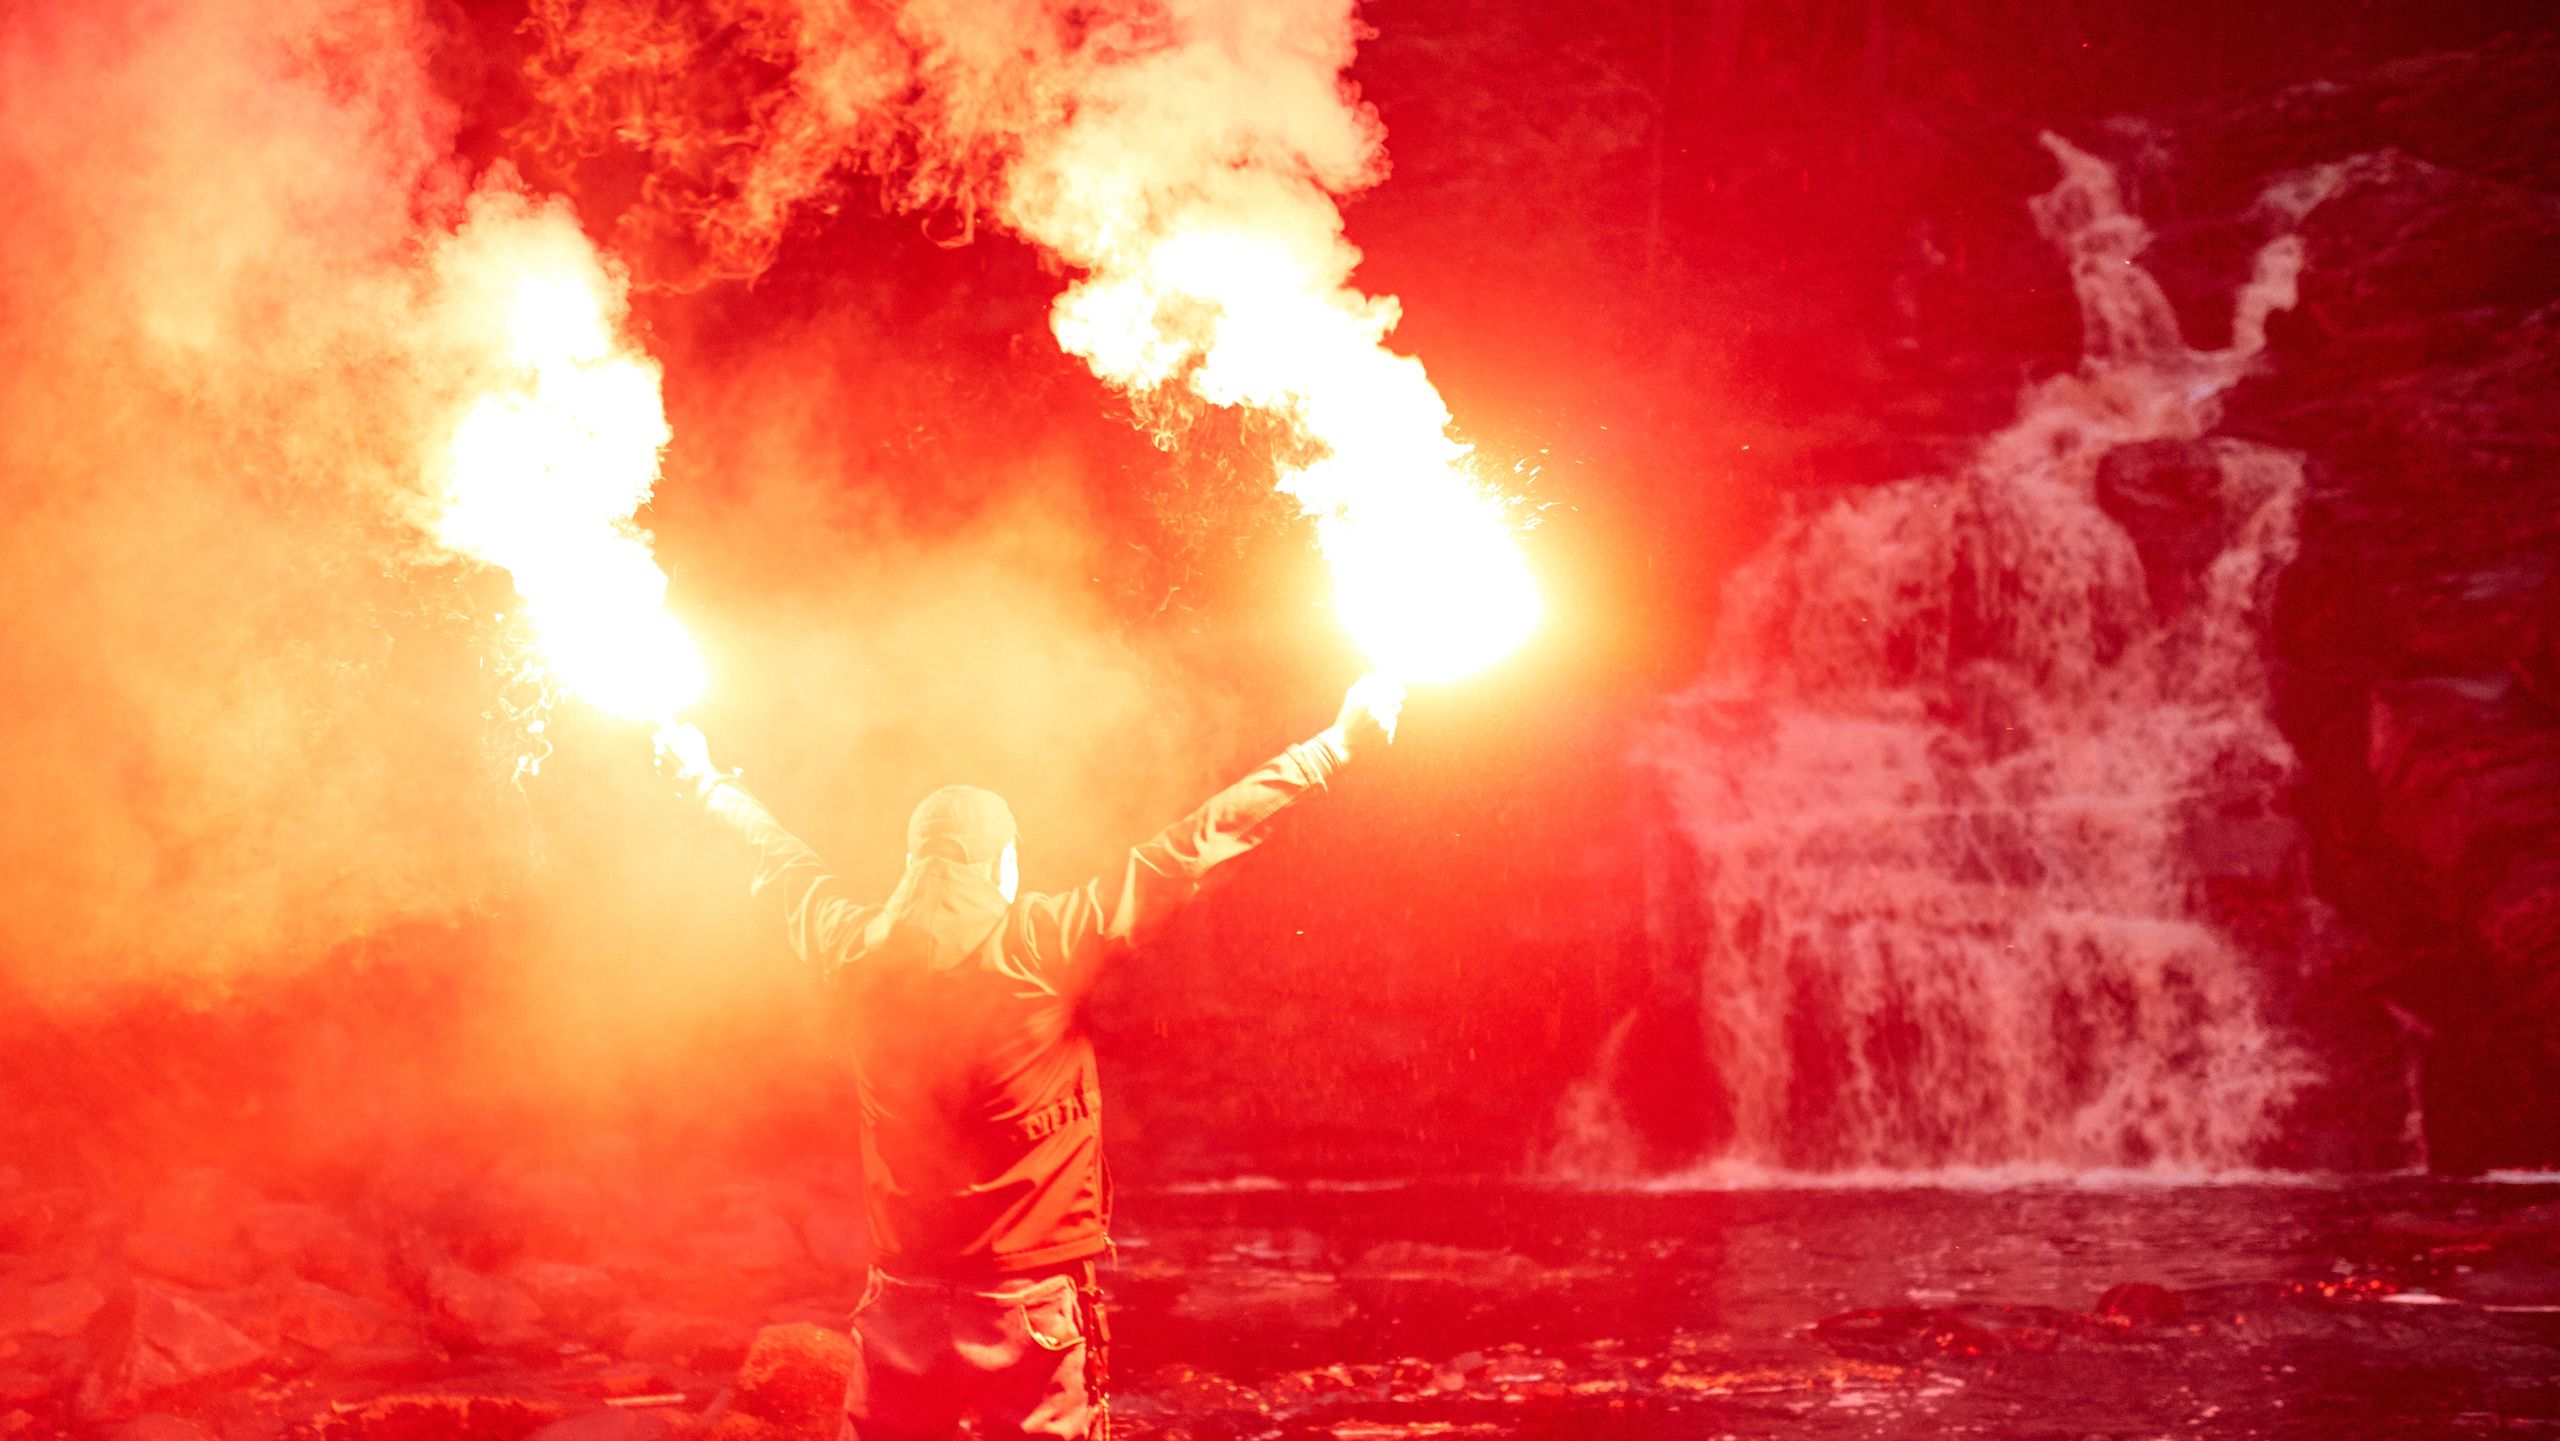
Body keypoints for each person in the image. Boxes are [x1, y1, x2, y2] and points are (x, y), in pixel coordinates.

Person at [652, 674, 1405, 1441]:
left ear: (915, 864)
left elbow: (781, 858)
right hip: (1025, 1305)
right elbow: (1190, 847)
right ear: (1000, 864)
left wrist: (704, 781)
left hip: (902, 1300)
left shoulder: (855, 949)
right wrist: (1332, 747)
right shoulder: (1041, 943)